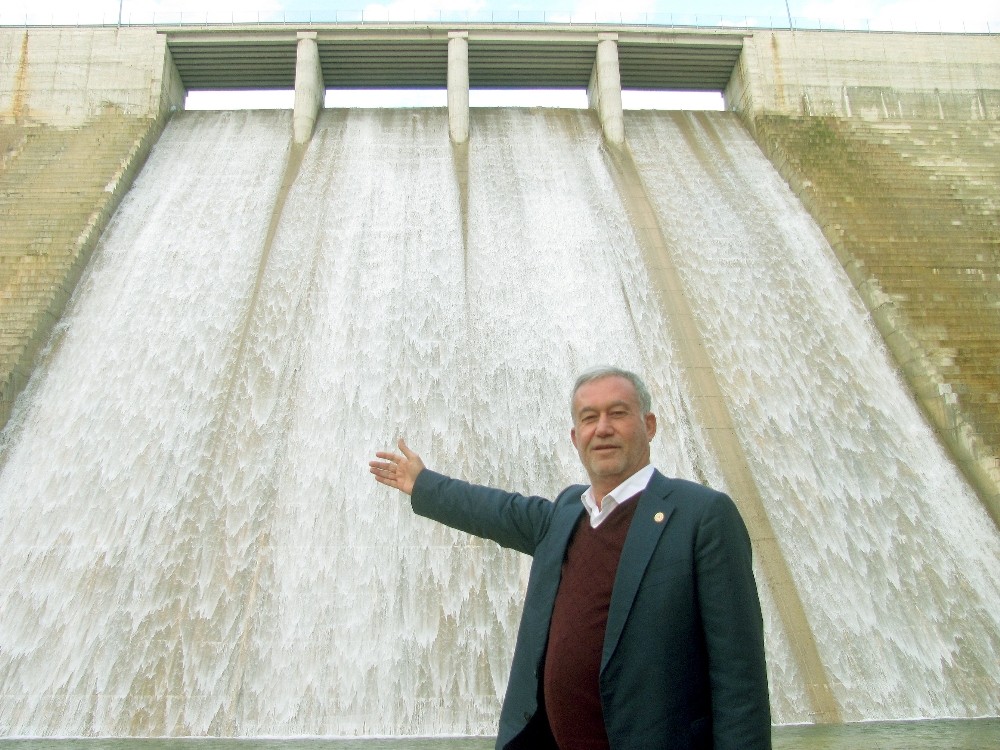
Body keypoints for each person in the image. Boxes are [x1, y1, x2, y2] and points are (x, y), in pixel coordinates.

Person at [369, 366, 771, 750]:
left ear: (649, 425)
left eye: (618, 413)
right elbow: (497, 510)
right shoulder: (565, 514)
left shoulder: (702, 516)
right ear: (575, 436)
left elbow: (740, 677)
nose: (603, 428)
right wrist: (423, 484)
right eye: (589, 417)